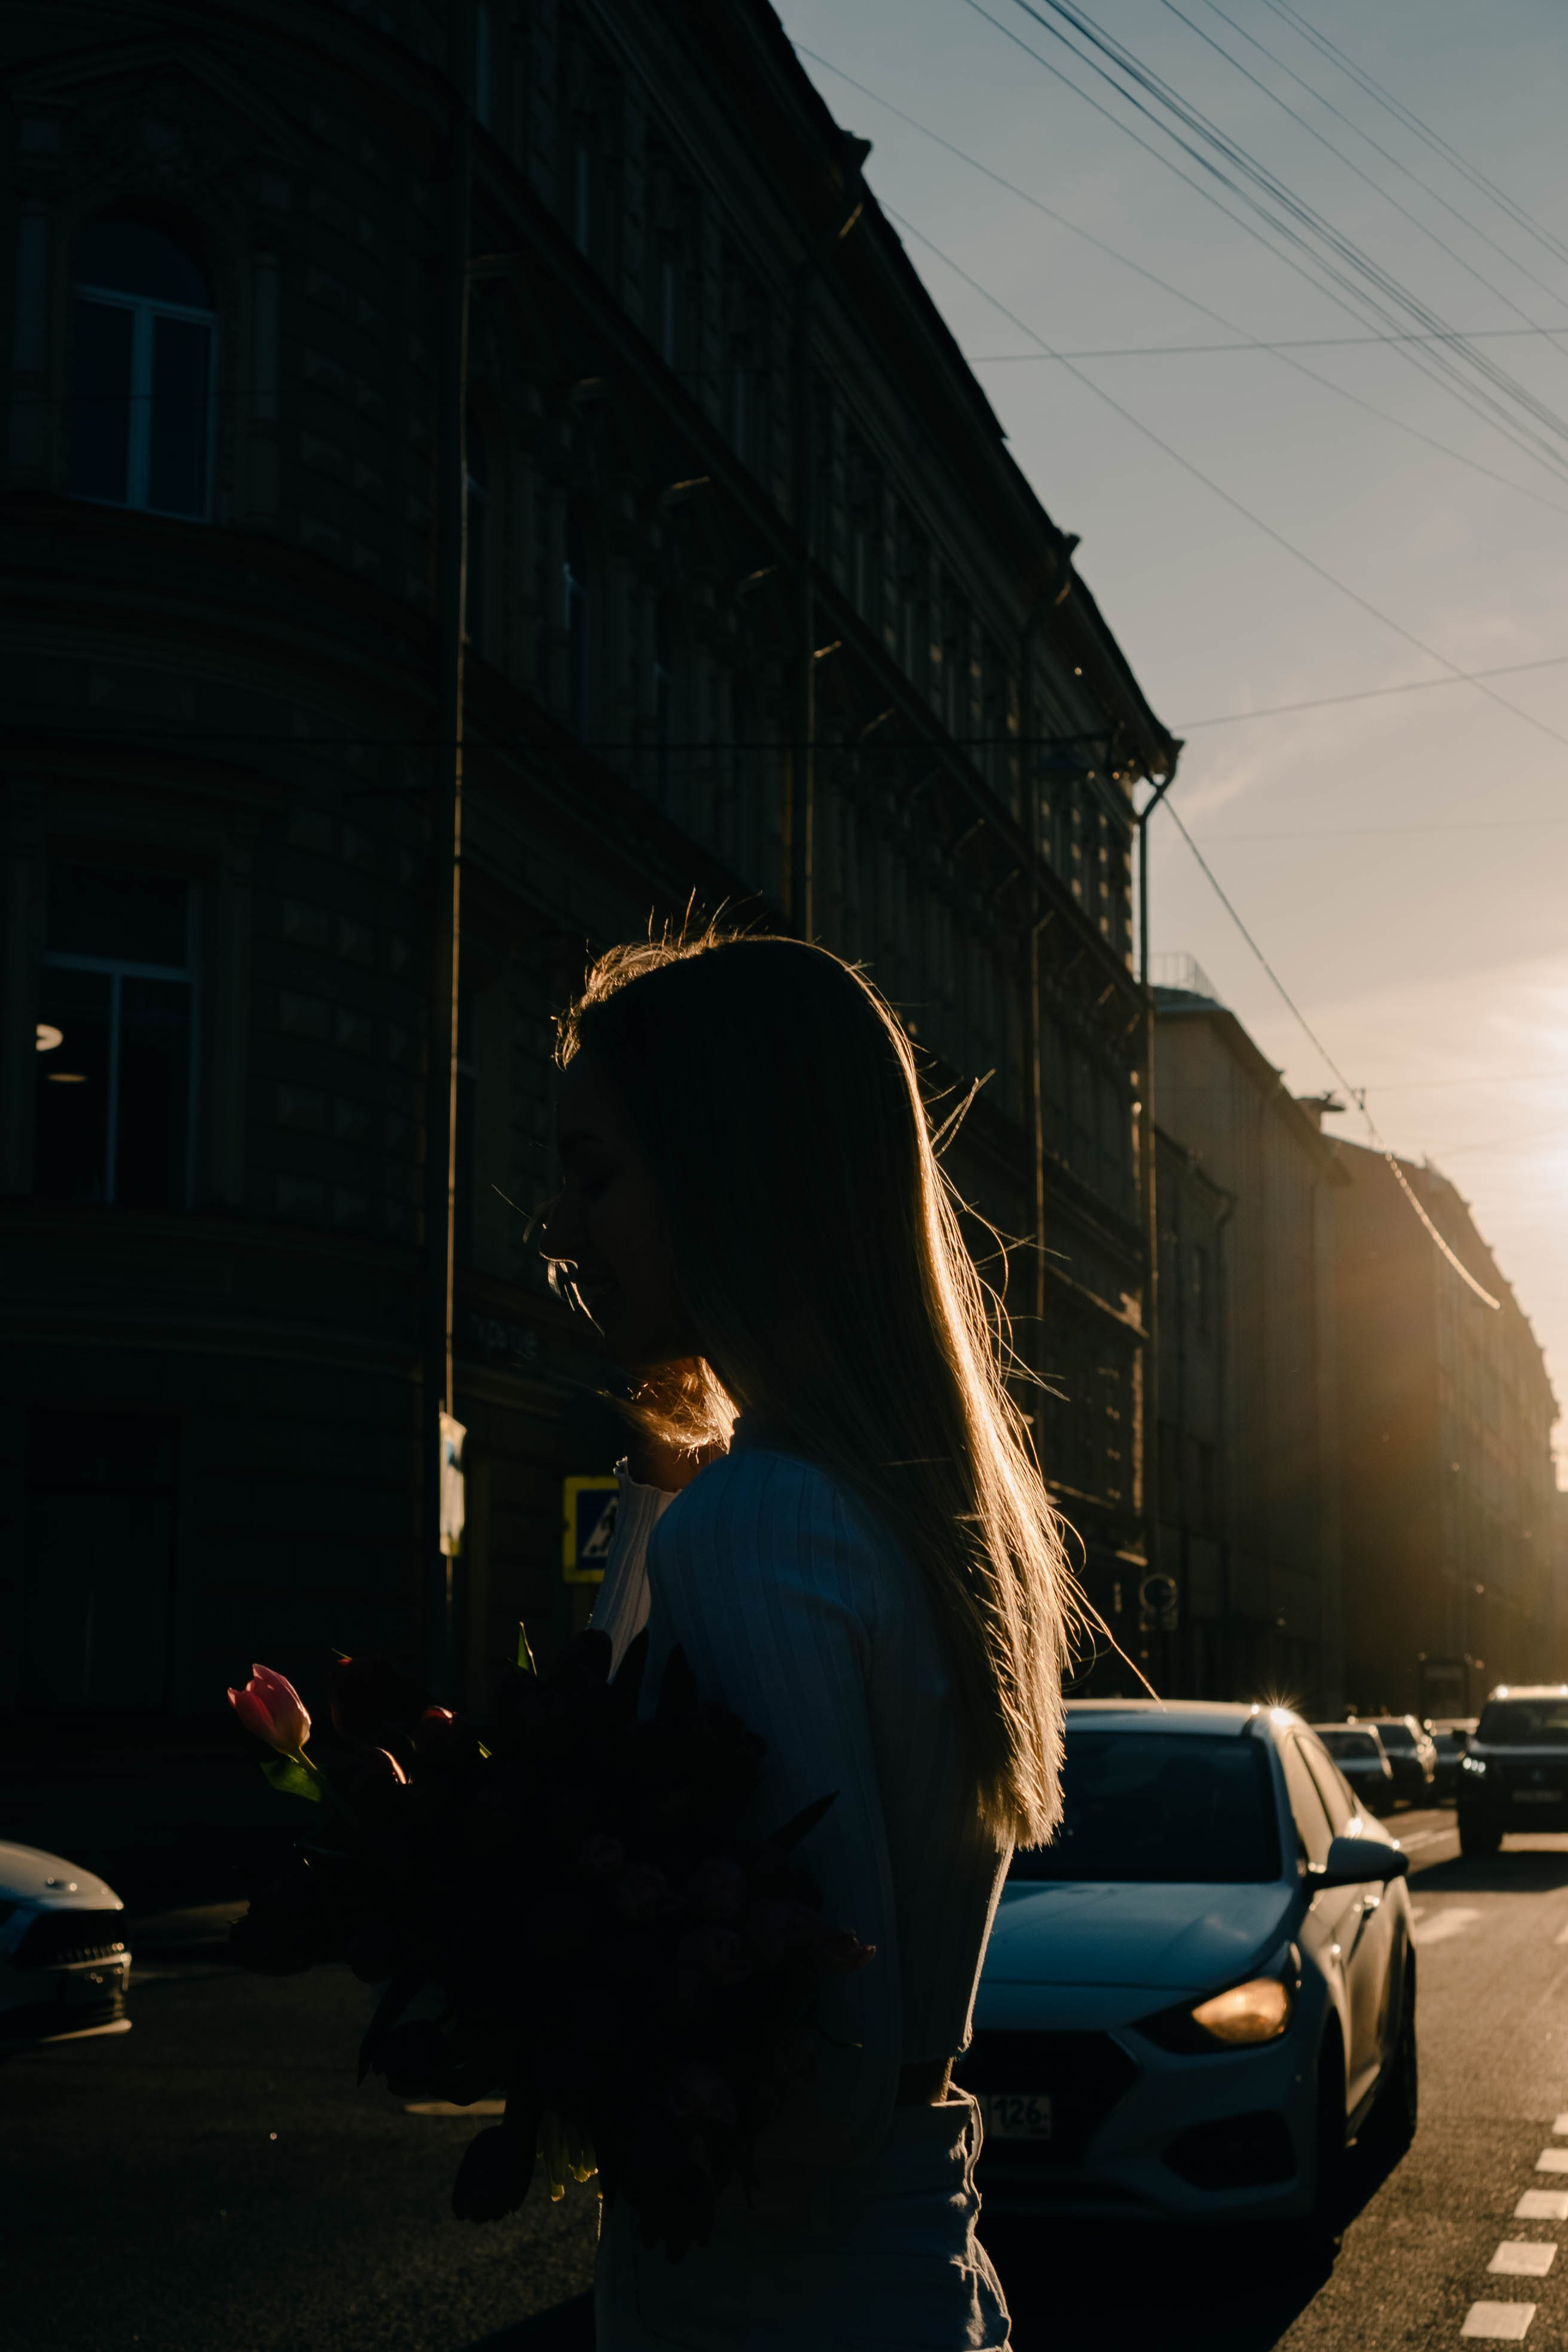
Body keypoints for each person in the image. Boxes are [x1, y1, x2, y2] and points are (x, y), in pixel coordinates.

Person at [538, 931, 1075, 2351]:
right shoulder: (888, 1509)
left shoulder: (762, 1525)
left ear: (727, 1174)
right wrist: (664, 1465)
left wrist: (545, 2015)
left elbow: (815, 2066)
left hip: (775, 2306)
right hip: (906, 2276)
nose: (553, 1226)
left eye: (592, 1174)